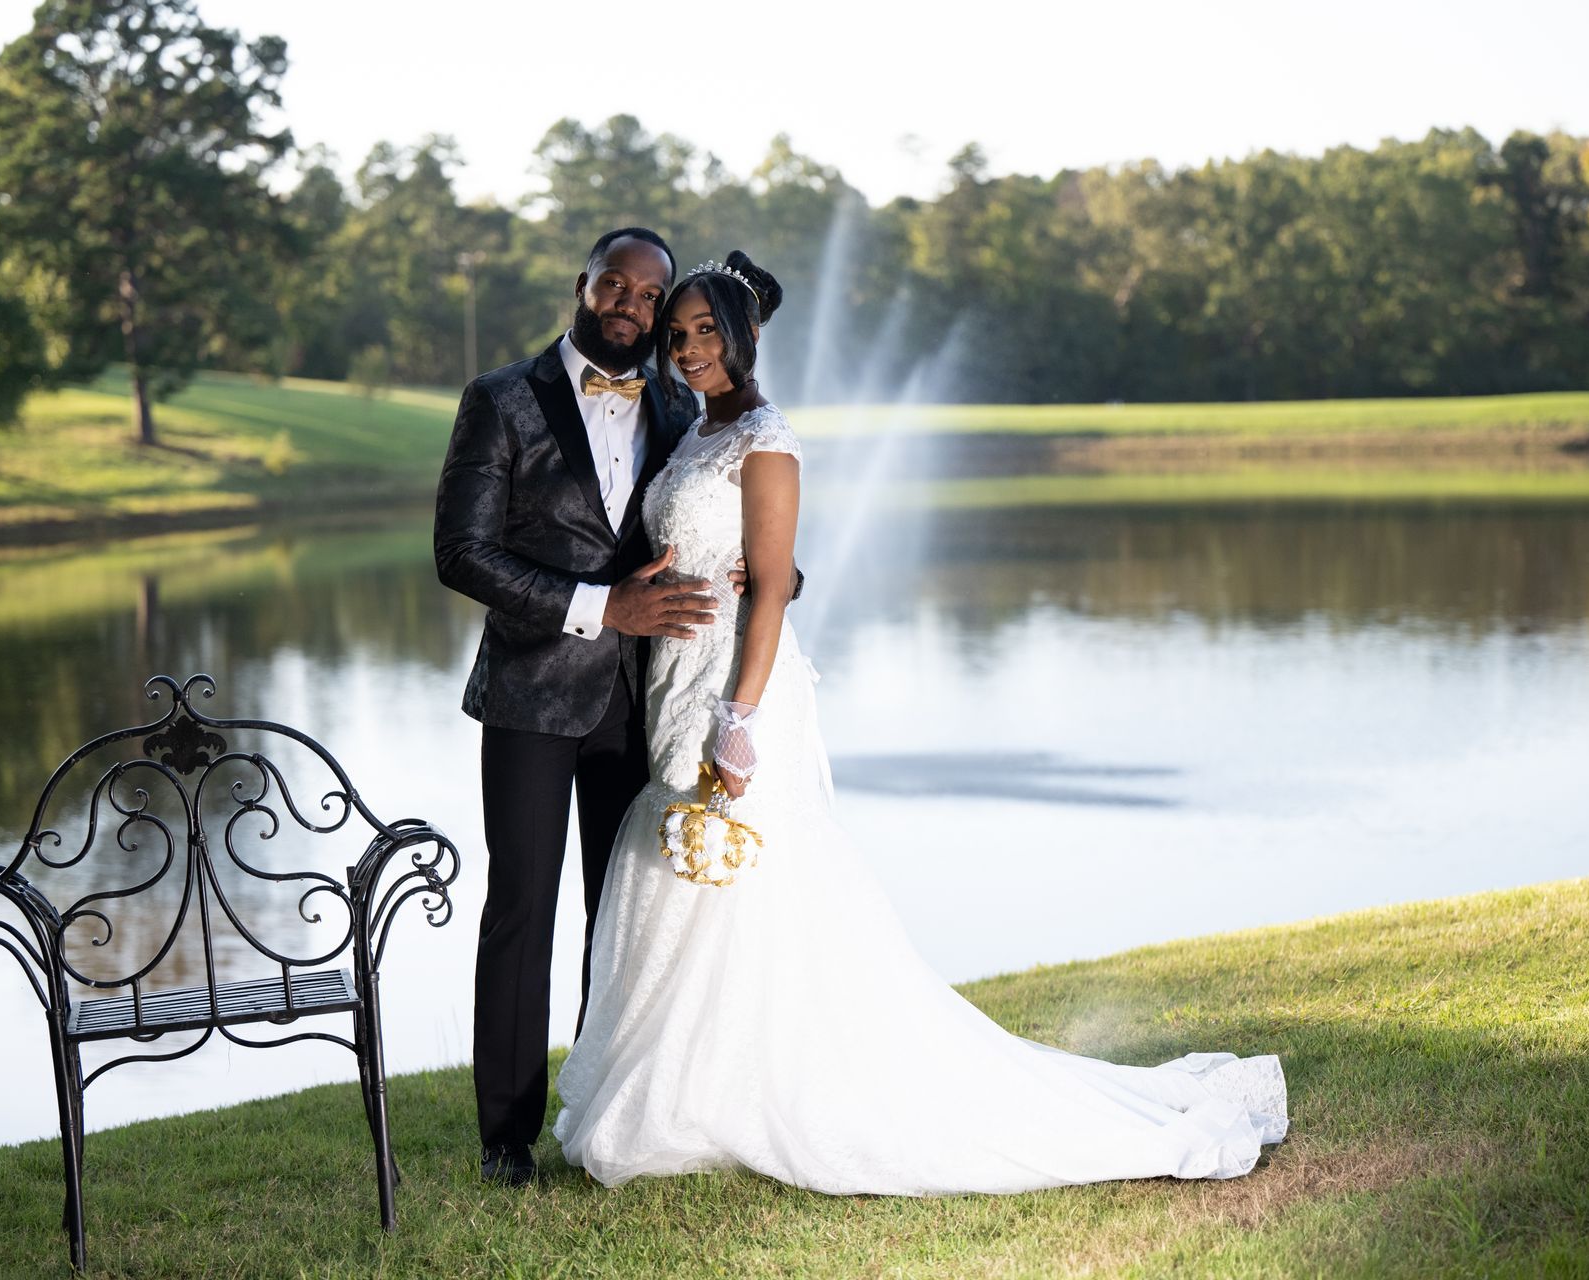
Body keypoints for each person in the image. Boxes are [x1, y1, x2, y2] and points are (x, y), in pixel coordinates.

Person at [553, 252, 1290, 1194]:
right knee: (692, 881)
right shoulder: (698, 432)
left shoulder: (765, 439)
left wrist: (738, 717)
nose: (691, 347)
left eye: (708, 332)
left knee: (747, 875)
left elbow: (772, 586)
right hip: (670, 676)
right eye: (681, 333)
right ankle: (691, 1085)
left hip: (735, 689)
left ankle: (753, 1090)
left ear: (744, 338)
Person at [434, 228, 720, 1188]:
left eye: (648, 296)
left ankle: (606, 1110)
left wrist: (765, 568)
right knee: (521, 907)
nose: (629, 306)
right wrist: (604, 605)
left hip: (639, 700)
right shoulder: (501, 400)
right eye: (615, 286)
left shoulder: (679, 403)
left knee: (623, 908)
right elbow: (461, 554)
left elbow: (698, 520)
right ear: (582, 285)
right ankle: (506, 1138)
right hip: (528, 694)